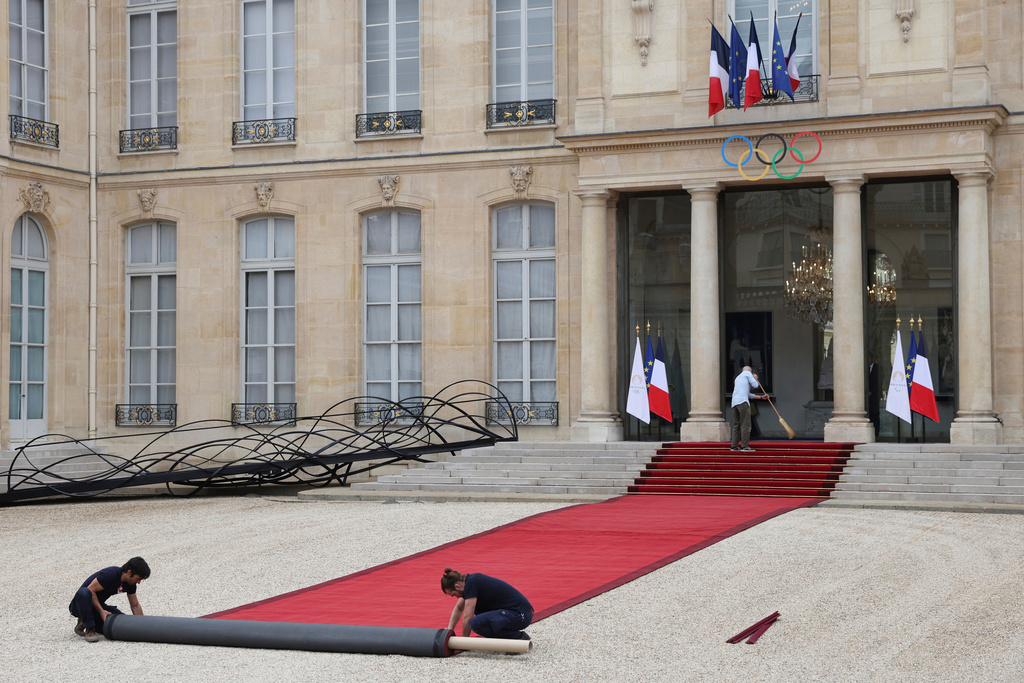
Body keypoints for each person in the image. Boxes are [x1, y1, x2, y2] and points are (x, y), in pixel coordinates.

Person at [69, 557, 150, 643]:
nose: (139, 582)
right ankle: (90, 629)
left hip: (97, 606)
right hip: (80, 605)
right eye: (139, 578)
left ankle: (86, 622)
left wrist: (142, 626)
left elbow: (135, 606)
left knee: (118, 624)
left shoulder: (130, 584)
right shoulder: (110, 574)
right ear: (129, 572)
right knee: (84, 592)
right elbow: (91, 591)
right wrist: (101, 611)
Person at [441, 568, 533, 641]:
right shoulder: (468, 583)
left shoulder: (472, 583)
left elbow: (468, 616)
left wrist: (464, 642)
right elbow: (459, 608)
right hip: (515, 614)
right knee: (480, 620)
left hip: (520, 615)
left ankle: (518, 638)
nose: (456, 597)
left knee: (476, 623)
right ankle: (508, 641)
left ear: (457, 586)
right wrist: (449, 630)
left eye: (453, 594)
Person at [731, 365, 766, 451]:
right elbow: (755, 385)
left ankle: (734, 446)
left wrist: (761, 397)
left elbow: (748, 394)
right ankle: (744, 446)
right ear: (750, 371)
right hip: (743, 402)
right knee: (745, 424)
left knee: (737, 425)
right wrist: (755, 378)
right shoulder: (748, 374)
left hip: (734, 403)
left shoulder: (738, 377)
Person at [867, 352, 880, 436]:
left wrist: (872, 392)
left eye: (868, 358)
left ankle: (876, 433)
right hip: (866, 397)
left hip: (875, 396)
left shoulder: (877, 368)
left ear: (871, 359)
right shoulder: (864, 368)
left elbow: (879, 382)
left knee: (875, 414)